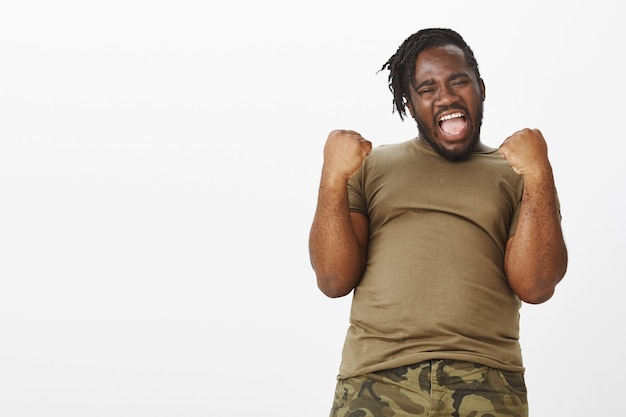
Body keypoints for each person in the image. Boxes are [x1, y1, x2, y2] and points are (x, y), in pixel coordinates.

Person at [308, 28, 568, 417]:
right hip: (376, 380)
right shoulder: (368, 167)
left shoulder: (520, 172)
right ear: (410, 105)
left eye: (457, 81)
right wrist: (332, 178)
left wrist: (539, 173)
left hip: (488, 382)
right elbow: (333, 280)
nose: (445, 96)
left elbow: (537, 285)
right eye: (427, 88)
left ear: (480, 87)